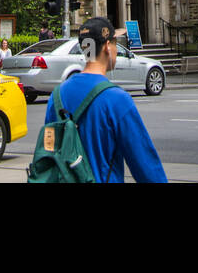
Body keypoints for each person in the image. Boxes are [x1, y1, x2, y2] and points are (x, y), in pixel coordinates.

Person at [42, 16, 167, 183]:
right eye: (115, 43)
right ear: (108, 47)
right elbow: (146, 165)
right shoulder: (117, 99)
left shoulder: (57, 96)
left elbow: (48, 151)